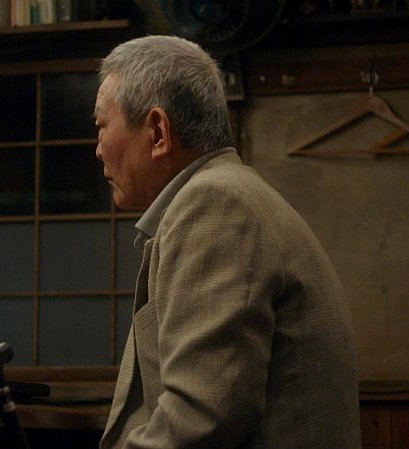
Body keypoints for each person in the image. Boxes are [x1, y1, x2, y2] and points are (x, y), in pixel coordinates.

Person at [94, 35, 362, 449]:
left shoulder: (213, 203)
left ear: (158, 132)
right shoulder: (229, 192)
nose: (98, 149)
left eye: (101, 125)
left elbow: (202, 415)